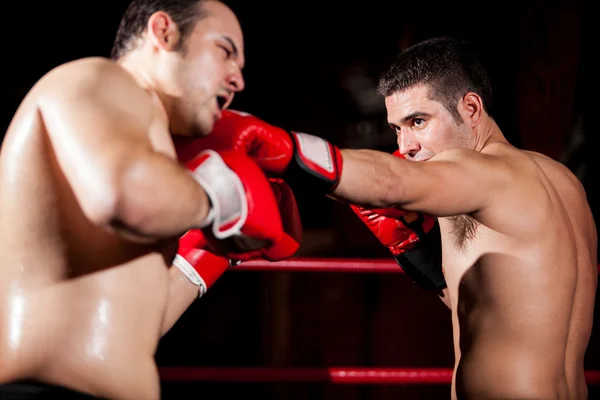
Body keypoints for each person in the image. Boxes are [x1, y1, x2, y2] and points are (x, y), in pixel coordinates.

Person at [204, 36, 598, 399]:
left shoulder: (480, 171)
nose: (405, 146)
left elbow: (394, 182)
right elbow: (508, 311)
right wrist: (414, 250)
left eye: (418, 122)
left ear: (471, 108)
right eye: (397, 128)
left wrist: (278, 146)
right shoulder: (564, 181)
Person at [0, 0, 302, 399]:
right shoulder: (96, 79)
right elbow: (121, 196)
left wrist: (204, 258)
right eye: (225, 52)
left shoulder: (140, 141)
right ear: (163, 32)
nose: (237, 80)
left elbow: (132, 328)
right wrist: (223, 194)